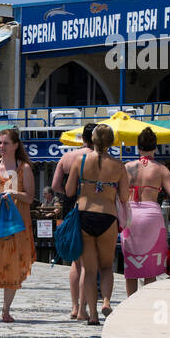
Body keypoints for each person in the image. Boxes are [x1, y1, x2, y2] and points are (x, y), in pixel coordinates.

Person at [66, 124, 130, 326]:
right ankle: (107, 300)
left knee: (89, 269)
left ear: (92, 140)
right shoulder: (119, 166)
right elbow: (124, 196)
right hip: (107, 216)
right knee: (106, 267)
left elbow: (68, 191)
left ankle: (92, 314)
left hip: (84, 214)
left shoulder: (80, 160)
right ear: (111, 142)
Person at [0, 128, 36, 322]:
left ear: (16, 145)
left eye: (6, 143)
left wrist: (14, 193)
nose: (2, 146)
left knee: (12, 265)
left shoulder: (24, 168)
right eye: (0, 143)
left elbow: (30, 197)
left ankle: (6, 309)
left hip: (15, 225)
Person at [122, 127, 170, 296]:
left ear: (138, 147)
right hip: (152, 217)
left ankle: (130, 303)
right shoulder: (161, 169)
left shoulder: (127, 167)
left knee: (131, 266)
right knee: (150, 268)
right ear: (155, 148)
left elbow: (118, 196)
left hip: (130, 216)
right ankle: (146, 303)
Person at [51, 124, 97, 320]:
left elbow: (55, 185)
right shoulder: (97, 159)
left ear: (82, 138)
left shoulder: (67, 157)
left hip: (70, 209)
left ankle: (73, 306)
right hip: (89, 207)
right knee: (87, 262)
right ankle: (82, 309)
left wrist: (69, 196)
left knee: (75, 263)